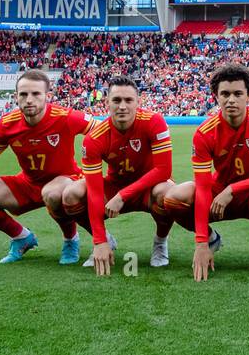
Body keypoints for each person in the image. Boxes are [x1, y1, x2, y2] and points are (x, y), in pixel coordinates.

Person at [157, 65, 249, 280]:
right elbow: (201, 187)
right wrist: (201, 241)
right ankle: (212, 239)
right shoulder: (204, 133)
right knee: (173, 198)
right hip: (218, 197)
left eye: (238, 94)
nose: (231, 100)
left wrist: (233, 189)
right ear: (216, 97)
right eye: (225, 94)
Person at [0, 70, 92, 264]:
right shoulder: (7, 123)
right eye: (23, 94)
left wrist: (92, 172)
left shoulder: (66, 116)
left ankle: (70, 240)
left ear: (48, 96)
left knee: (54, 194)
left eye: (36, 94)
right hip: (28, 184)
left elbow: (103, 132)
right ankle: (21, 237)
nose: (29, 99)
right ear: (16, 97)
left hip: (65, 183)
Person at [60, 76, 175, 276]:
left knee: (168, 192)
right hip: (115, 186)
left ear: (138, 102)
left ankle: (160, 242)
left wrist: (123, 196)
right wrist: (99, 240)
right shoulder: (94, 138)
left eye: (128, 100)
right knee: (71, 194)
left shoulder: (154, 121)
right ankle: (106, 240)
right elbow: (95, 191)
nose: (122, 106)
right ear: (107, 102)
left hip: (149, 186)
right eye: (116, 100)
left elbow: (164, 171)